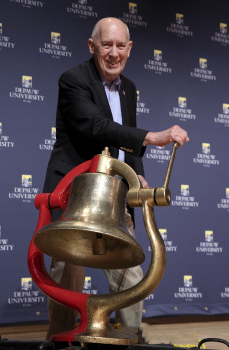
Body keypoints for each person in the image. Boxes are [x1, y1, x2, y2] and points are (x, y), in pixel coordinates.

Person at [43, 17, 189, 341]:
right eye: (106, 44)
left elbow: (125, 141)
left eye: (120, 45)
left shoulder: (129, 89)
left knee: (129, 269)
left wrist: (137, 173)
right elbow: (95, 126)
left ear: (129, 49)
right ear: (92, 46)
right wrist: (153, 136)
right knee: (69, 271)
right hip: (75, 195)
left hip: (114, 194)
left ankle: (132, 336)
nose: (113, 53)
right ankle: (62, 341)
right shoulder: (73, 80)